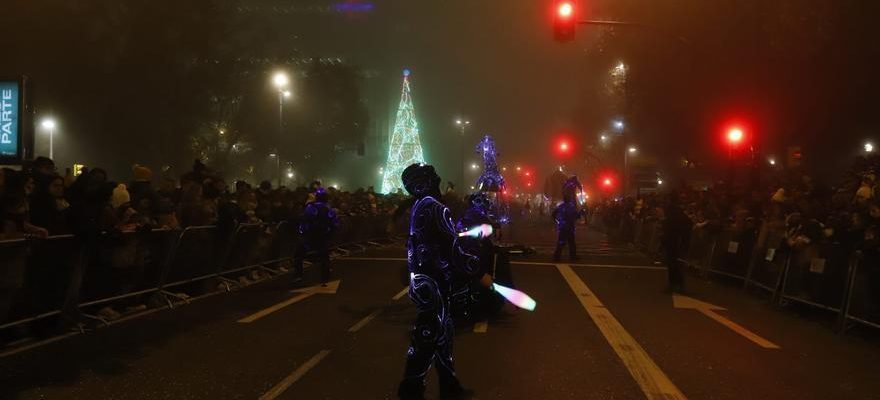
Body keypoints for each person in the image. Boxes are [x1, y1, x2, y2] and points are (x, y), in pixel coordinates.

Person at [397, 163, 483, 400]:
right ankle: (410, 390)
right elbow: (452, 247)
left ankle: (449, 384)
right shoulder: (436, 208)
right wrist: (472, 264)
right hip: (434, 281)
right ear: (423, 183)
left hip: (423, 279)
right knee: (428, 333)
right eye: (433, 178)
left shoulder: (418, 206)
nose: (439, 180)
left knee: (443, 333)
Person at [292, 188, 338, 286]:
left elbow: (305, 219)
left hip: (311, 236)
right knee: (324, 257)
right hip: (323, 236)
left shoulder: (312, 207)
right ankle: (325, 276)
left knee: (298, 255)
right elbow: (334, 224)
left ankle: (298, 275)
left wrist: (303, 231)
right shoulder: (329, 209)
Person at [661, 193, 692, 293]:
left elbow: (669, 228)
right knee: (675, 264)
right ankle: (676, 284)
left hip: (674, 241)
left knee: (674, 264)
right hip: (675, 241)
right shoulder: (678, 213)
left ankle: (676, 284)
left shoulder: (672, 213)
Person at [553, 178, 582, 261]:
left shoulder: (560, 206)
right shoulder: (571, 207)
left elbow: (554, 214)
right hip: (569, 227)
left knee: (561, 242)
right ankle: (572, 256)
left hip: (562, 227)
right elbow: (576, 216)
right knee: (571, 243)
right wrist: (581, 213)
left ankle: (557, 256)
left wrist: (557, 221)